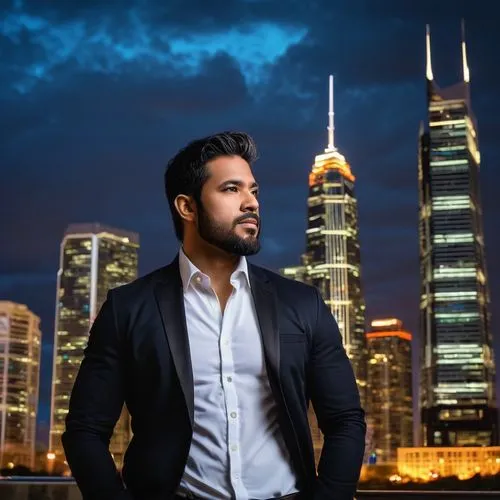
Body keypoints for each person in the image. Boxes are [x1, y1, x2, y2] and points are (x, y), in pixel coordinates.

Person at [62, 131, 366, 500]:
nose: (251, 202)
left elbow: (345, 420)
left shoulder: (302, 303)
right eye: (231, 189)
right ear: (187, 207)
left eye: (254, 190)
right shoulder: (129, 308)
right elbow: (85, 430)